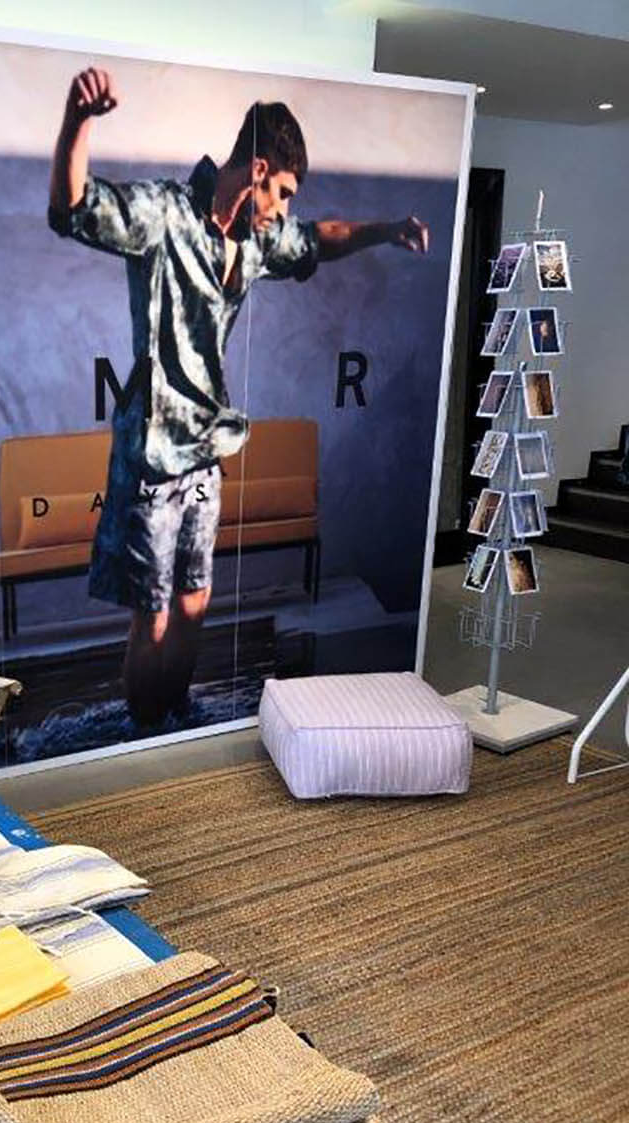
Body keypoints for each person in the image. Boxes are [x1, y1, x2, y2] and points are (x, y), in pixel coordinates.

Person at [48, 67, 431, 726]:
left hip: (206, 450)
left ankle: (175, 715)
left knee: (194, 601)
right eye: (281, 192)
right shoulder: (165, 214)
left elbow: (319, 238)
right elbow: (74, 207)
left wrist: (386, 229)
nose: (283, 209)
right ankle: (144, 730)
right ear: (257, 171)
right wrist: (78, 119)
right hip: (152, 452)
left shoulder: (254, 239)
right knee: (154, 611)